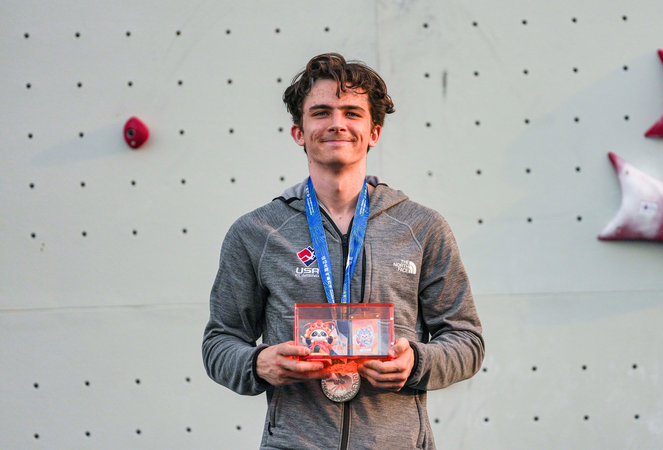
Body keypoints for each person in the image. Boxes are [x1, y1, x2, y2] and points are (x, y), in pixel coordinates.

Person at [202, 53, 484, 450]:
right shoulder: (257, 232)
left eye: (352, 112)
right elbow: (220, 342)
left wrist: (417, 362)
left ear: (374, 132)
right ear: (299, 132)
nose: (337, 123)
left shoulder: (422, 228)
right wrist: (257, 364)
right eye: (321, 112)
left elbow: (467, 340)